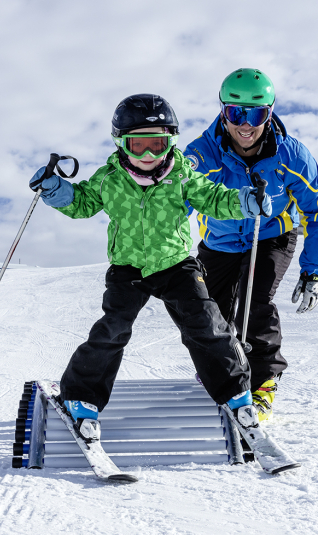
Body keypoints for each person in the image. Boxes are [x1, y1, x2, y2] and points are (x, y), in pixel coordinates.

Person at [28, 93, 273, 441]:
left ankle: (236, 393)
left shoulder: (183, 175)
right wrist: (56, 191)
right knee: (112, 329)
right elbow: (82, 203)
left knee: (206, 323)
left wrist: (245, 200)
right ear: (121, 144)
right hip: (128, 269)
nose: (147, 155)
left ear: (170, 143)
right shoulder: (109, 178)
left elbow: (214, 197)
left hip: (176, 264)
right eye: (137, 145)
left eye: (156, 145)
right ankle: (81, 398)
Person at [183, 68, 318, 422]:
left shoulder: (291, 157)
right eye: (236, 113)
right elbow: (176, 201)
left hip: (269, 237)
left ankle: (263, 380)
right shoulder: (201, 155)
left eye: (257, 114)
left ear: (270, 112)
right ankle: (220, 373)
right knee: (208, 313)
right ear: (223, 112)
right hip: (218, 241)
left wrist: (314, 271)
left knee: (256, 301)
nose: (246, 124)